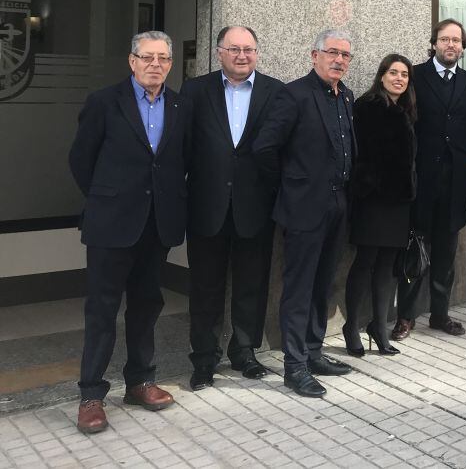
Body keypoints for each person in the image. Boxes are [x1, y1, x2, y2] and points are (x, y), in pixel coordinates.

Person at [68, 31, 189, 434]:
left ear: (171, 64)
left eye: (163, 58)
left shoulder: (178, 104)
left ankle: (139, 381)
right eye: (147, 57)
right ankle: (91, 395)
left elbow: (177, 163)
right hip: (111, 223)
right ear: (132, 60)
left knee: (146, 305)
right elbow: (81, 160)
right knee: (101, 311)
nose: (156, 64)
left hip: (156, 225)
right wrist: (108, 199)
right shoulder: (104, 102)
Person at [253, 29, 356, 397]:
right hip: (303, 207)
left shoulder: (345, 97)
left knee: (323, 283)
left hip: (337, 205)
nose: (339, 60)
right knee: (298, 288)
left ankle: (314, 351)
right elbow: (265, 148)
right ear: (314, 56)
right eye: (332, 53)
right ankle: (294, 365)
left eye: (345, 55)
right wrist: (292, 186)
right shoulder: (293, 94)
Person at [183, 26, 284, 390]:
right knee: (205, 287)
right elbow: (183, 148)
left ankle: (244, 352)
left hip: (255, 208)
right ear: (219, 52)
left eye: (249, 49)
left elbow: (284, 149)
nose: (242, 56)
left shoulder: (276, 92)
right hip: (206, 207)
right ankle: (204, 360)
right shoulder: (195, 90)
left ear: (257, 53)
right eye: (234, 49)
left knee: (251, 286)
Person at [392, 19, 466, 341]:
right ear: (434, 43)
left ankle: (440, 314)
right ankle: (406, 316)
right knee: (415, 250)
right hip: (421, 182)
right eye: (445, 40)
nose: (451, 45)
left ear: (463, 46)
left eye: (456, 41)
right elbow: (402, 120)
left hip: (456, 183)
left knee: (446, 254)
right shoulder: (415, 76)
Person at [344, 54, 417, 356]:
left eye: (404, 74)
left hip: (398, 203)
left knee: (387, 267)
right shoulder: (368, 105)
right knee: (364, 262)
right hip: (373, 201)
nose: (399, 78)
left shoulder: (406, 110)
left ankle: (379, 326)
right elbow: (364, 153)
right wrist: (369, 186)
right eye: (393, 73)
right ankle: (351, 327)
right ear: (382, 76)